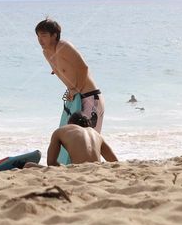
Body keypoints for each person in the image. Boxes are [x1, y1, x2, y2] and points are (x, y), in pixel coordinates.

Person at [36, 18, 104, 165]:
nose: (40, 40)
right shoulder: (46, 52)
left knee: (86, 140)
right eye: (38, 36)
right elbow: (62, 73)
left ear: (54, 35)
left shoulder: (63, 46)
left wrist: (75, 89)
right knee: (68, 137)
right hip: (75, 97)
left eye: (44, 35)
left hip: (90, 97)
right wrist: (70, 91)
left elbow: (83, 68)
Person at [27, 112, 117, 167]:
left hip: (79, 170)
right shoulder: (96, 134)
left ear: (70, 123)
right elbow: (114, 162)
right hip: (97, 168)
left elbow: (50, 163)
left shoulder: (61, 130)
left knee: (28, 165)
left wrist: (63, 166)